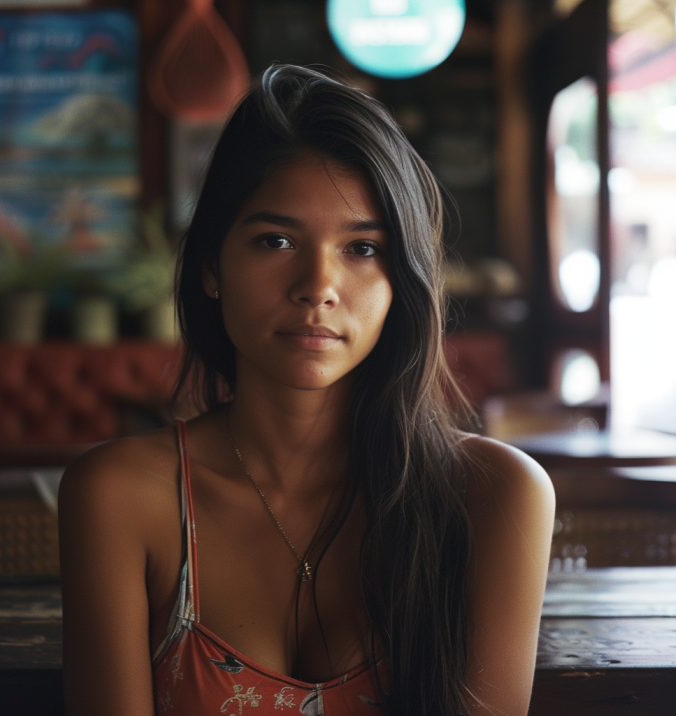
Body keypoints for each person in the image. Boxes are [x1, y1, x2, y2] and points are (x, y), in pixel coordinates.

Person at [59, 64, 555, 716]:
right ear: (212, 267)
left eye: (362, 249)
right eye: (276, 240)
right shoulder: (122, 498)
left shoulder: (493, 496)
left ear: (400, 283)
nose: (317, 285)